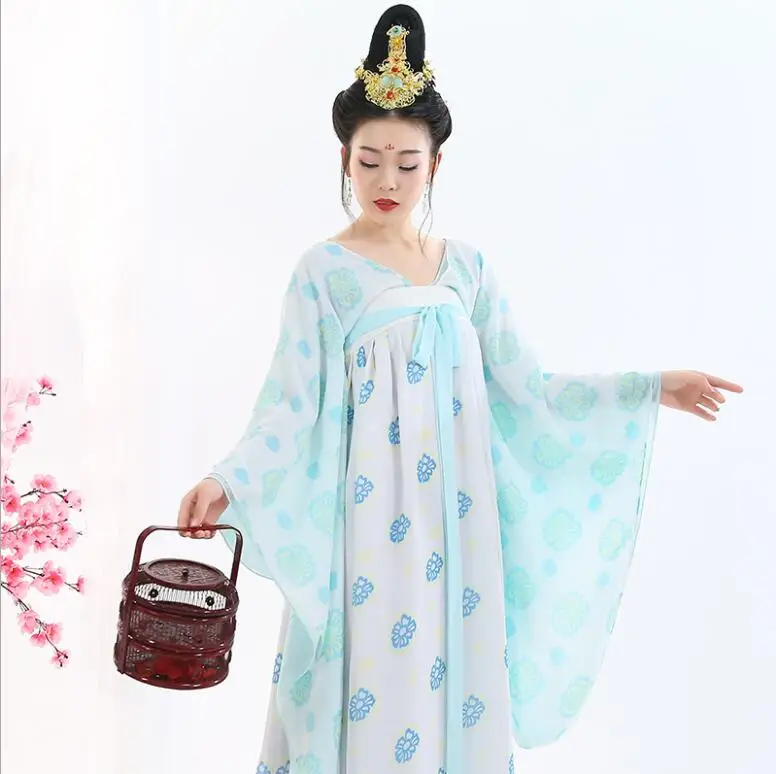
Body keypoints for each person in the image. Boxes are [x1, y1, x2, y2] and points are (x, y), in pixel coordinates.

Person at [177, 6, 742, 773]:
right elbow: (290, 405)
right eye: (369, 160)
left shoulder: (467, 270)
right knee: (367, 682)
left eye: (407, 164)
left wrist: (649, 388)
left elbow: (530, 389)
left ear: (436, 165)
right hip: (364, 527)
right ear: (344, 158)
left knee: (451, 685)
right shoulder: (323, 273)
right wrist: (228, 480)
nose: (386, 181)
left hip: (458, 528)